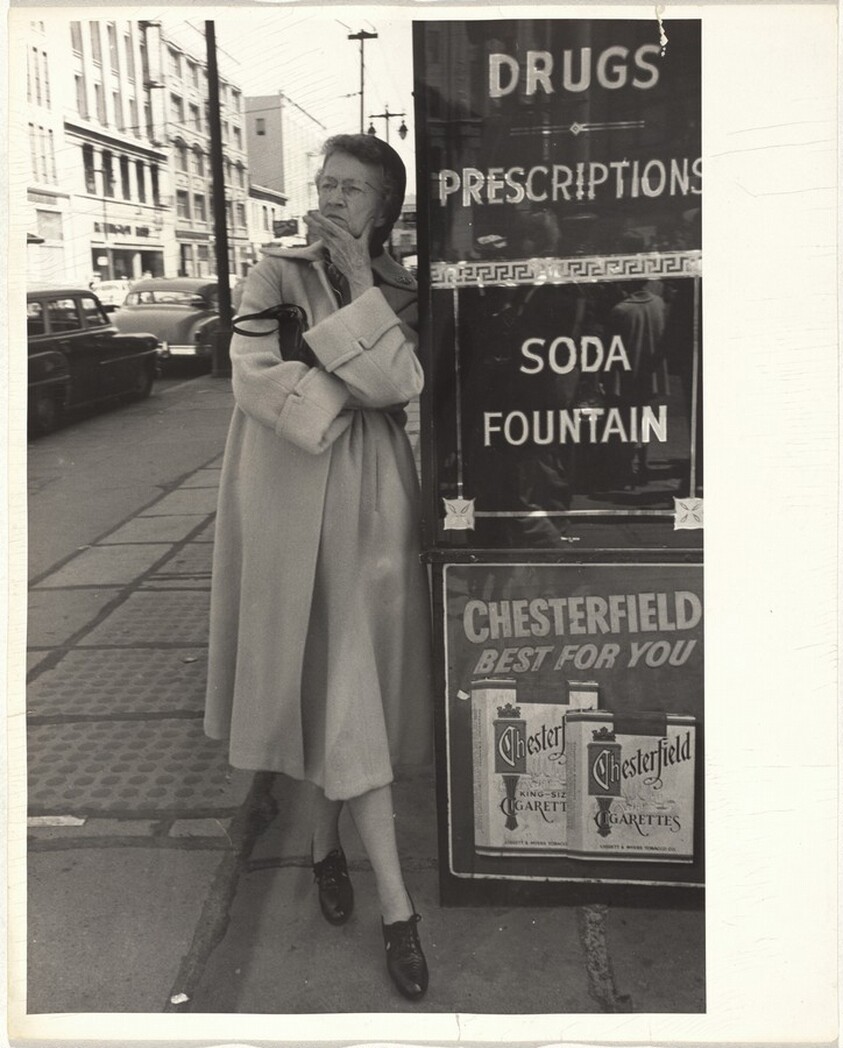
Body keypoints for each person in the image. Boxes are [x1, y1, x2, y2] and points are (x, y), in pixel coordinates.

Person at [204, 134, 433, 1001]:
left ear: (385, 206)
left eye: (353, 189)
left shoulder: (403, 285)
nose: (332, 199)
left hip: (371, 504)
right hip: (285, 494)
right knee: (331, 684)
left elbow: (405, 384)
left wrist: (362, 298)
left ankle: (348, 866)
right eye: (324, 183)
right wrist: (356, 378)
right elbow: (252, 381)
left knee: (351, 686)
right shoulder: (273, 272)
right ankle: (377, 894)